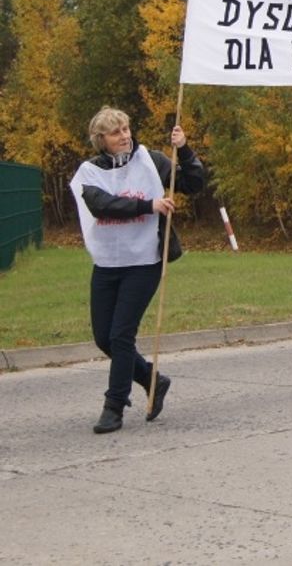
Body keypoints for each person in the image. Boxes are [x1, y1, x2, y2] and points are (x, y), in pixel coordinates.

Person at [69, 107, 206, 434]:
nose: (125, 136)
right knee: (105, 338)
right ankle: (151, 379)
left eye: (127, 129)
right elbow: (102, 204)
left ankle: (114, 405)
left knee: (121, 335)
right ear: (101, 139)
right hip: (106, 263)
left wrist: (184, 148)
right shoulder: (89, 172)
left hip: (144, 261)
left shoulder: (151, 160)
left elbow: (193, 182)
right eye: (116, 132)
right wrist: (149, 205)